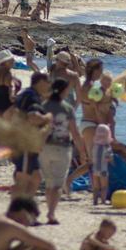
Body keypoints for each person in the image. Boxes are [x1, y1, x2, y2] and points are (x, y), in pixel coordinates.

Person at [40, 79, 85, 224]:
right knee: (58, 184)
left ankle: (49, 209)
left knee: (48, 182)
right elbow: (75, 133)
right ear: (64, 91)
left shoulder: (43, 106)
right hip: (62, 147)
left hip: (44, 148)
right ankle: (51, 213)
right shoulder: (67, 108)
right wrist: (83, 152)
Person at [11, 72, 52, 199]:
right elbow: (33, 117)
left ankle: (25, 204)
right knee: (24, 178)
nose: (49, 85)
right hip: (25, 144)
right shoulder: (32, 97)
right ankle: (17, 207)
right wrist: (47, 118)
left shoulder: (26, 94)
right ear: (40, 83)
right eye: (47, 83)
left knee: (35, 177)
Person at [91, 124, 114, 205]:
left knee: (96, 186)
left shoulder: (95, 146)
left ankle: (95, 201)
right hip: (103, 169)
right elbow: (109, 158)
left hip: (94, 169)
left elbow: (92, 157)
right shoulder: (107, 147)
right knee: (104, 186)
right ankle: (103, 201)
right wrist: (112, 162)